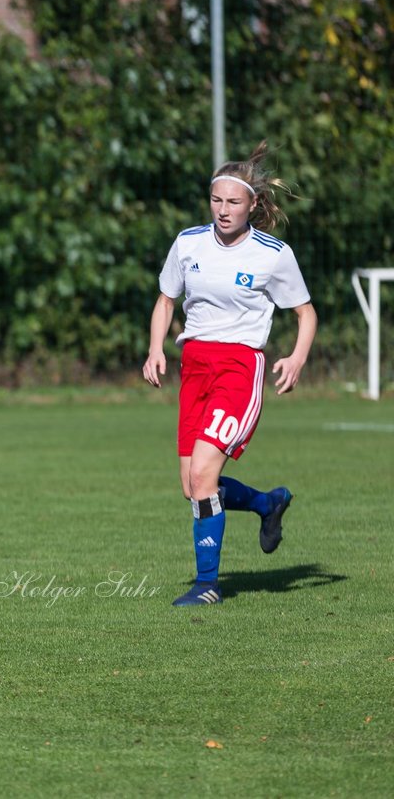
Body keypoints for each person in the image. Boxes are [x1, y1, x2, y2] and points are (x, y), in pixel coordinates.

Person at [143, 142, 316, 607]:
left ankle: (207, 586)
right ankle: (266, 503)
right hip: (194, 367)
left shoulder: (273, 254)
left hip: (240, 368)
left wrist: (297, 357)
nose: (223, 210)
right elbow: (165, 301)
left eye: (233, 202)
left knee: (203, 478)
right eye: (216, 200)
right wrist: (155, 348)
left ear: (252, 205)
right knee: (193, 487)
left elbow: (305, 313)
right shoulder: (188, 243)